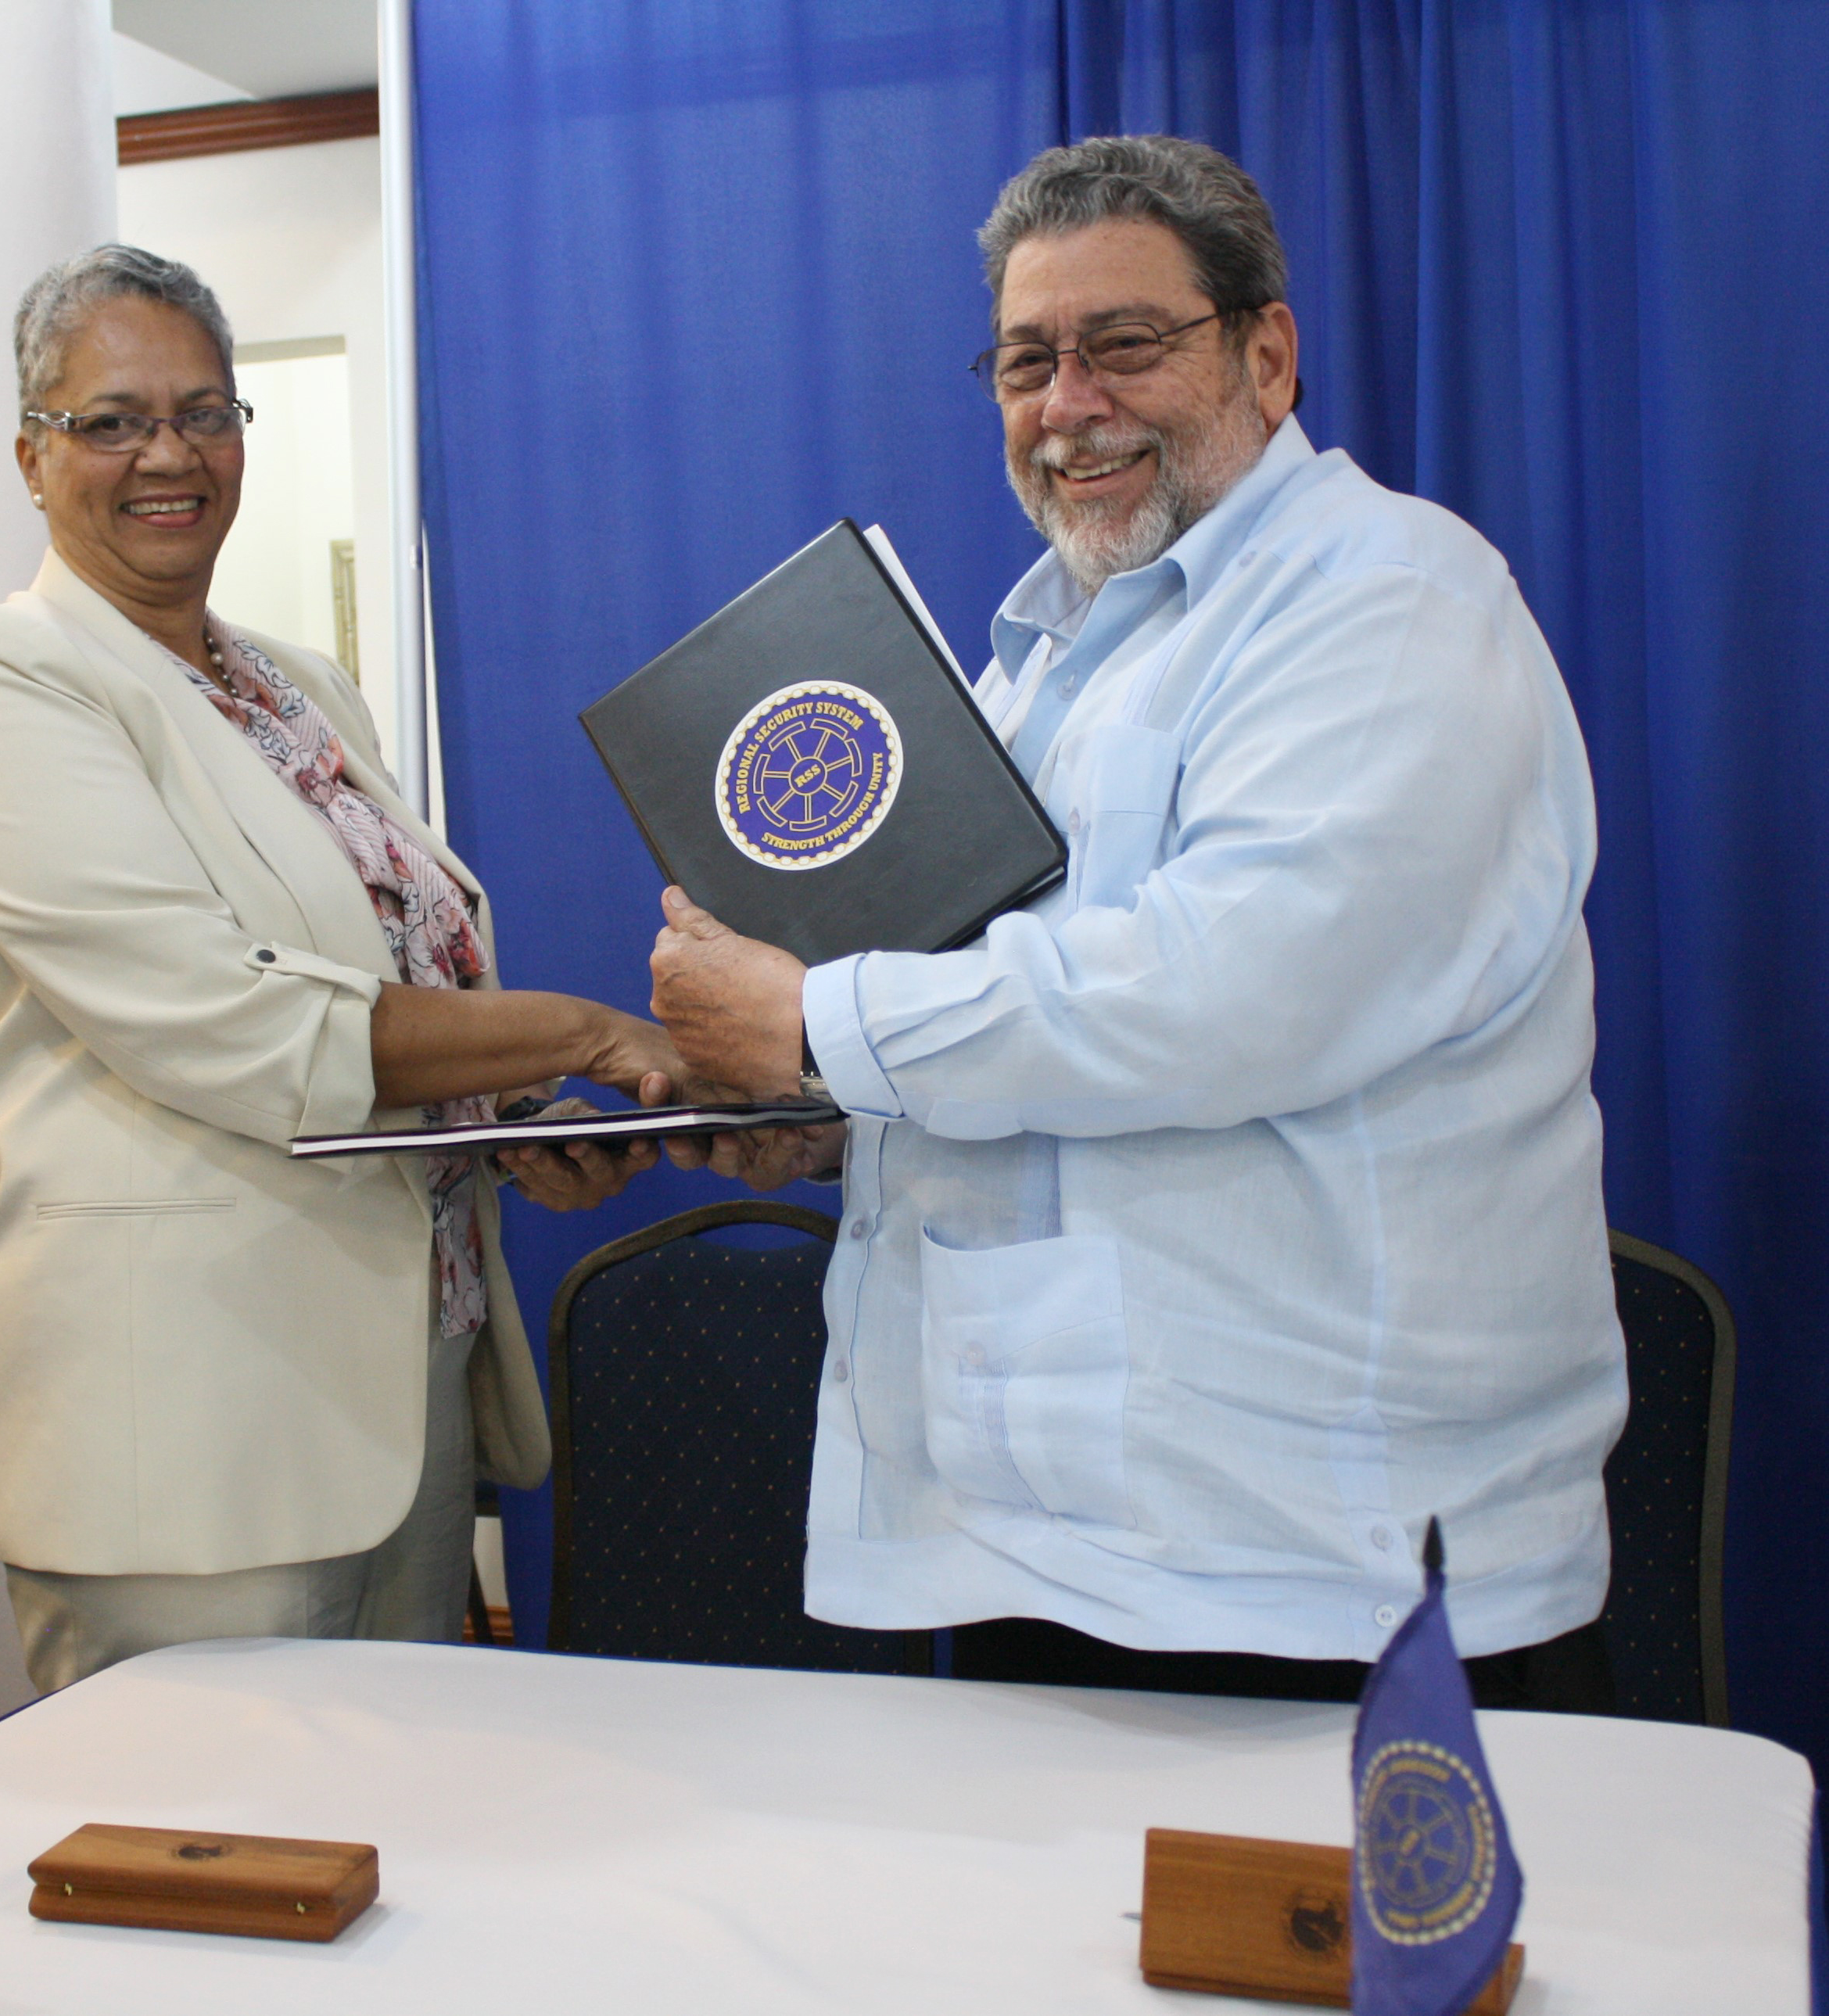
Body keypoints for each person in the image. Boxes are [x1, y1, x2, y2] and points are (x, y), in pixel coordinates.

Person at [649, 135, 1627, 1709]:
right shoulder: (1044, 664)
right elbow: (1013, 1037)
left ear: (1267, 352)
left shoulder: (1391, 602)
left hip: (1323, 1565)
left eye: (1125, 344)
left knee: (1329, 1966)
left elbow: (1234, 987)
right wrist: (823, 1113)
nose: (1068, 403)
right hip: (1058, 1537)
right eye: (1029, 360)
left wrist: (820, 1025)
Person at [0, 246, 680, 1693]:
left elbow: (392, 975)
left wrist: (508, 1132)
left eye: (206, 413)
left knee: (397, 1875)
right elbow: (229, 1022)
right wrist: (572, 1033)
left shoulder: (294, 685)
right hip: (188, 1436)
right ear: (31, 454)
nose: (168, 454)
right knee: (198, 1885)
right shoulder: (5, 675)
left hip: (398, 1393)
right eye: (113, 419)